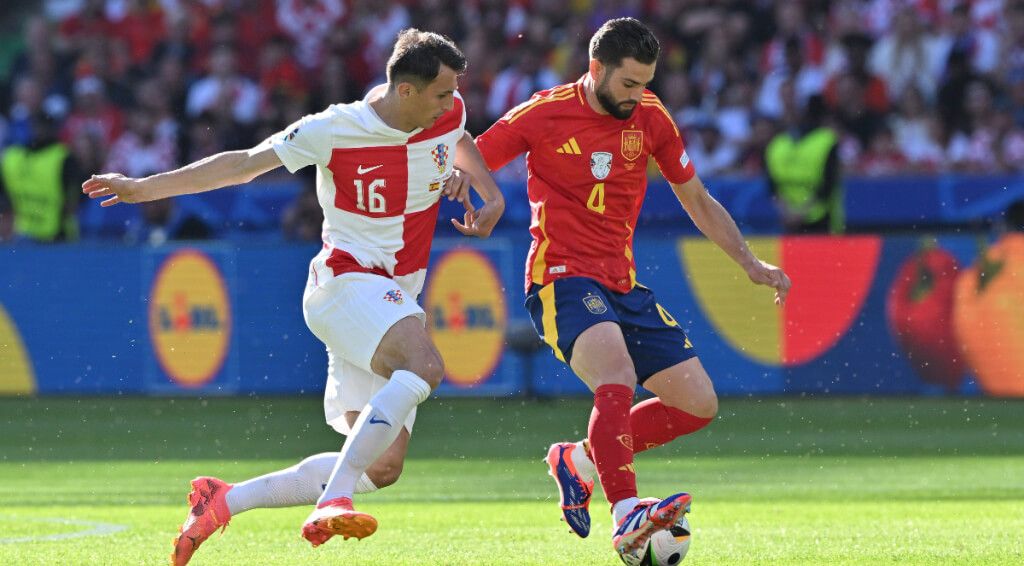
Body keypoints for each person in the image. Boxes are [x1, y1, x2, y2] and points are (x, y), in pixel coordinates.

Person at [82, 29, 505, 565]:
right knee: (425, 365)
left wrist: (486, 190)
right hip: (345, 282)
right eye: (442, 94)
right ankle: (332, 499)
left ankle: (222, 501)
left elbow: (460, 139)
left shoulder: (445, 111)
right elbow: (242, 163)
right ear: (405, 92)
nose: (454, 104)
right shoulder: (334, 128)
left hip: (394, 297)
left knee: (383, 467)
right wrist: (144, 188)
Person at [472, 18, 791, 563]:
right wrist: (482, 198)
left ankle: (581, 462)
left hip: (621, 281)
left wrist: (748, 262)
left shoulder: (650, 117)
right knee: (616, 375)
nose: (637, 95)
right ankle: (626, 515)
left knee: (697, 403)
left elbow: (696, 198)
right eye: (628, 84)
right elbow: (470, 155)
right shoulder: (543, 112)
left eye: (645, 83)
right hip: (560, 276)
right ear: (596, 69)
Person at [765, 94, 843, 234]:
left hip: (791, 221)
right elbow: (827, 186)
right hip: (819, 222)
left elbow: (772, 187)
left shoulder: (777, 144)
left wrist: (790, 213)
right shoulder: (827, 141)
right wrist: (800, 213)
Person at [0, 112, 83, 242]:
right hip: (22, 235)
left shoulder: (64, 158)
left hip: (56, 235)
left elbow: (73, 199)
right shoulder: (12, 157)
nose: (39, 131)